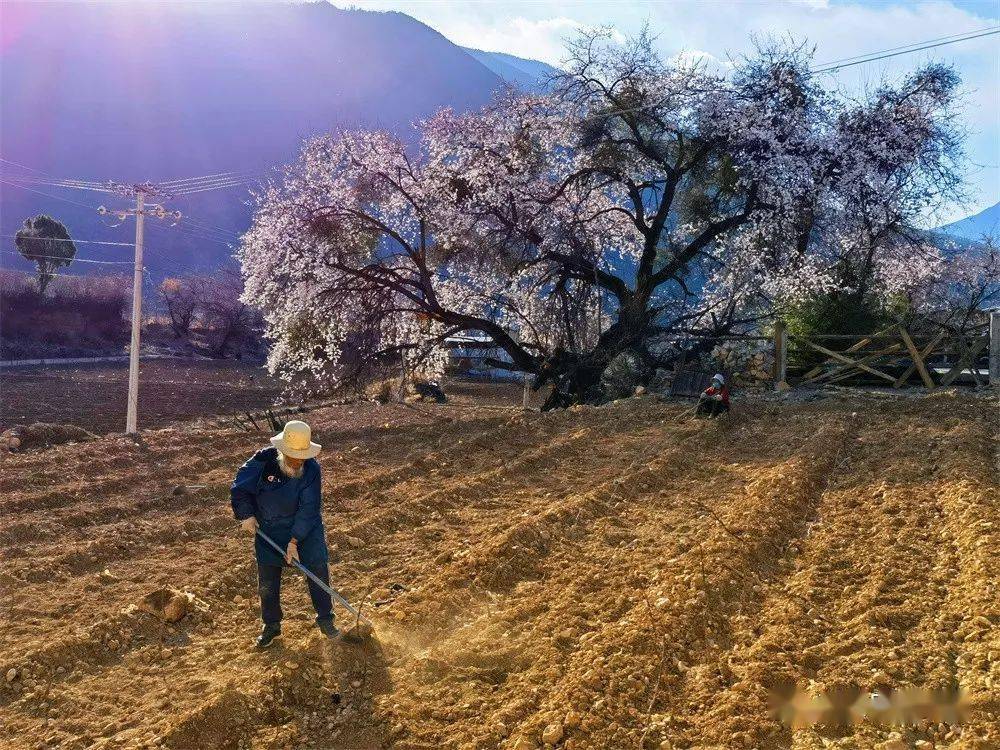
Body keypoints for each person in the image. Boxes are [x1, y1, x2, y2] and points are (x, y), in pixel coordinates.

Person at [230, 420, 339, 648]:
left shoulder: (312, 470)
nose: (298, 462)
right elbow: (240, 489)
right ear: (282, 451)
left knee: (317, 567)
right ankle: (271, 625)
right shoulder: (262, 462)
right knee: (267, 580)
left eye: (302, 457)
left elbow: (309, 507)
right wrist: (247, 515)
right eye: (293, 457)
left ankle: (326, 619)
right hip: (269, 527)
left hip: (305, 528)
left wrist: (294, 541)